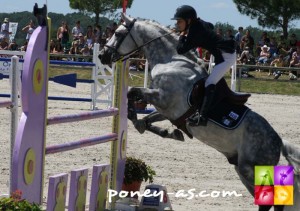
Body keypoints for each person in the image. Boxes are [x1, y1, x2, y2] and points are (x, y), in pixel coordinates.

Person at [172, 5, 236, 126]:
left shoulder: (195, 32)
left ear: (189, 20)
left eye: (179, 21)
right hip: (221, 54)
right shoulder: (199, 24)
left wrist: (181, 36)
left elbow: (180, 50)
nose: (177, 24)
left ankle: (202, 117)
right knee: (211, 81)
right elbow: (210, 25)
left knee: (209, 83)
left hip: (226, 57)